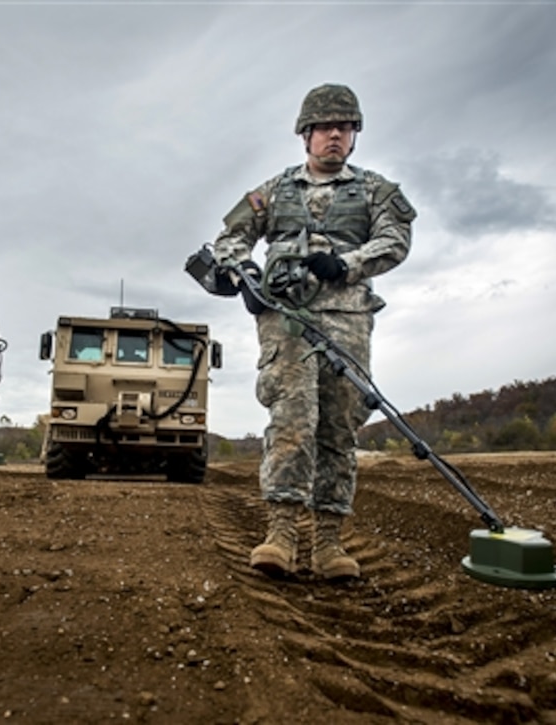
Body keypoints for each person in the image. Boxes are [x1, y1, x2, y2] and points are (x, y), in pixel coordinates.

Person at [209, 84, 416, 580]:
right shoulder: (275, 190)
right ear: (306, 135)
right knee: (292, 422)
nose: (334, 136)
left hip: (348, 321)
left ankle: (328, 543)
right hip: (286, 322)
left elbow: (395, 239)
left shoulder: (375, 190)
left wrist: (345, 263)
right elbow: (229, 238)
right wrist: (245, 275)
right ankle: (280, 534)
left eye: (344, 128)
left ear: (354, 136)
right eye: (325, 127)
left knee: (339, 428)